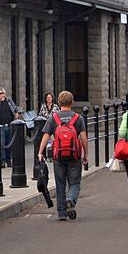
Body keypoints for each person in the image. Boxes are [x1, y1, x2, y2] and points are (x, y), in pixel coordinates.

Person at [37, 90, 88, 221]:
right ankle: (70, 199)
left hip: (58, 156)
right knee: (74, 183)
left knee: (60, 184)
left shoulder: (54, 118)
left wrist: (40, 152)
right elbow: (83, 137)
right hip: (74, 155)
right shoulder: (78, 118)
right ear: (72, 102)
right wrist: (85, 154)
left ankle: (61, 213)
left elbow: (46, 135)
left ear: (58, 103)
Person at [0, 87, 19, 167]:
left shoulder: (10, 102)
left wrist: (16, 121)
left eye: (0, 93)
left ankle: (8, 160)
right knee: (1, 144)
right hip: (0, 126)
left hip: (9, 125)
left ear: (4, 94)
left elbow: (16, 111)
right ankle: (2, 161)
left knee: (9, 143)